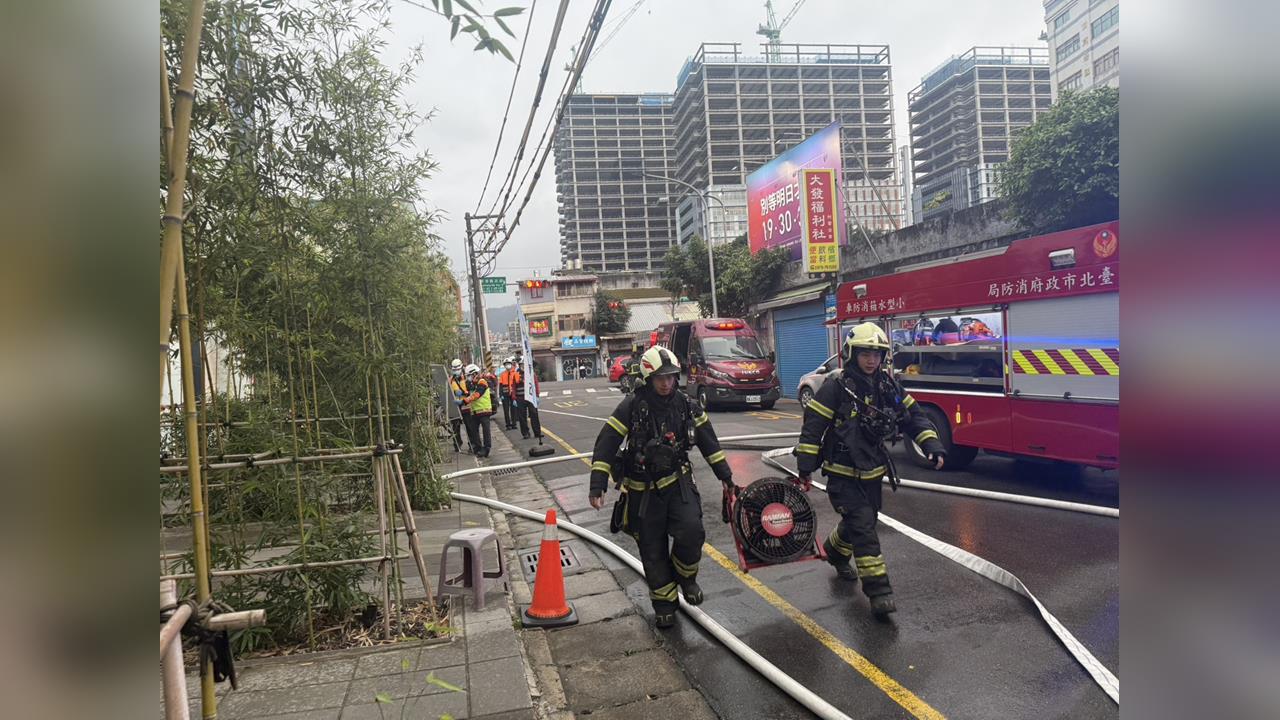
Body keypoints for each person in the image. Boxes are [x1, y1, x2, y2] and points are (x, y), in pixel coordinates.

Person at [794, 322, 947, 618]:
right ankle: (879, 592)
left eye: (877, 354)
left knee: (863, 520)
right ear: (851, 353)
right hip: (842, 473)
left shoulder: (887, 386)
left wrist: (932, 445)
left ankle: (835, 551)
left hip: (873, 472)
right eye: (865, 353)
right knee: (864, 528)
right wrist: (805, 468)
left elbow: (913, 416)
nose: (871, 360)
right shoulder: (835, 388)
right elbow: (813, 428)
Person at [587, 346, 733, 629]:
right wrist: (597, 485)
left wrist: (725, 476)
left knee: (692, 531)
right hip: (643, 492)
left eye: (671, 377)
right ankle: (665, 603)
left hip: (678, 483)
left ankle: (686, 577)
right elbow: (606, 442)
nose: (667, 383)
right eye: (660, 378)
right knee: (652, 551)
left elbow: (709, 442)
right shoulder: (632, 406)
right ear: (648, 378)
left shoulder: (686, 404)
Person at [463, 364, 493, 458]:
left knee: (486, 431)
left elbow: (477, 394)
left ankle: (486, 448)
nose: (468, 377)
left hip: (484, 410)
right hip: (475, 411)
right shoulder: (472, 384)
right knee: (473, 430)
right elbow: (468, 392)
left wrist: (465, 400)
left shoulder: (482, 382)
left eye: (469, 375)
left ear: (475, 373)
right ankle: (478, 447)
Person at [507, 356, 541, 440]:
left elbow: (536, 384)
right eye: (521, 364)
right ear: (519, 365)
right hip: (520, 397)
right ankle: (525, 433)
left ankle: (537, 432)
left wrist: (536, 396)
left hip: (530, 397)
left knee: (534, 414)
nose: (523, 366)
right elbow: (513, 386)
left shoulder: (531, 373)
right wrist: (514, 398)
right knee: (522, 417)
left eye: (524, 364)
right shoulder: (516, 374)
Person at [448, 359, 477, 453]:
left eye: (457, 368)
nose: (456, 370)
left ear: (461, 368)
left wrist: (464, 393)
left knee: (469, 426)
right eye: (454, 369)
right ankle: (457, 444)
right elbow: (447, 390)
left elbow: (472, 390)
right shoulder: (451, 379)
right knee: (455, 427)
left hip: (466, 405)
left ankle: (472, 444)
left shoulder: (466, 377)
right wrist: (454, 392)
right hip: (455, 406)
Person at [497, 357, 517, 430]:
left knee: (513, 409)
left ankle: (514, 424)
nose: (507, 365)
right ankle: (508, 424)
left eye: (508, 364)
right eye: (506, 364)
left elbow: (517, 384)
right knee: (506, 410)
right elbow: (500, 385)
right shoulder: (502, 374)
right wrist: (501, 394)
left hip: (513, 394)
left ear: (511, 364)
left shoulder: (515, 373)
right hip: (505, 394)